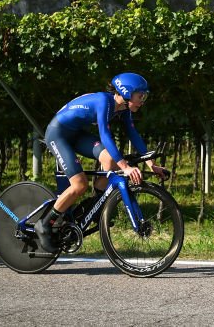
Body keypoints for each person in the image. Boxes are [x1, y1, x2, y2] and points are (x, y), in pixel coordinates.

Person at [36, 72, 168, 253]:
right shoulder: (104, 102)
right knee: (79, 184)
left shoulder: (124, 109)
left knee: (110, 160)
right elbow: (105, 136)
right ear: (127, 93)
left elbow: (133, 135)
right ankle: (44, 224)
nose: (142, 100)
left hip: (75, 135)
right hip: (58, 134)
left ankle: (95, 206)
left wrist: (151, 164)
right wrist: (125, 167)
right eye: (140, 96)